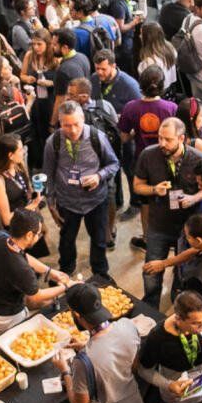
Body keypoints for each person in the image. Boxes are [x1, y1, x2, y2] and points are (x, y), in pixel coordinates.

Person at [134, 116, 202, 307]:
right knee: (151, 272)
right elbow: (137, 185)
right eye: (159, 138)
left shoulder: (198, 159)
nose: (162, 144)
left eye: (168, 139)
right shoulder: (148, 155)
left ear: (181, 138)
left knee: (182, 274)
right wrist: (153, 189)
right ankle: (150, 308)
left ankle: (177, 304)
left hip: (187, 228)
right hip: (158, 225)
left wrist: (194, 198)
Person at [44, 98, 120, 278]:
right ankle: (66, 269)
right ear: (60, 122)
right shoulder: (53, 142)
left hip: (96, 200)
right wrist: (51, 202)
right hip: (67, 201)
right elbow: (48, 173)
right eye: (66, 125)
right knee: (66, 240)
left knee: (99, 239)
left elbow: (114, 164)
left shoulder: (97, 137)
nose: (72, 130)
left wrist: (98, 176)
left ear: (83, 119)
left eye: (76, 124)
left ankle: (100, 272)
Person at [0, 209, 73, 344]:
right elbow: (36, 296)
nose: (39, 237)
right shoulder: (22, 270)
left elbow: (23, 255)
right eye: (38, 234)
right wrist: (66, 286)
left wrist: (49, 271)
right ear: (29, 235)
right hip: (5, 315)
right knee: (15, 345)